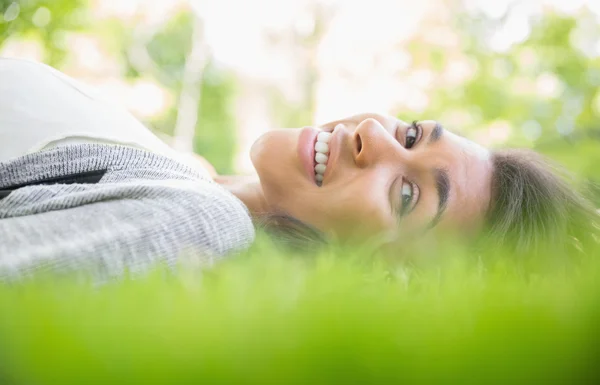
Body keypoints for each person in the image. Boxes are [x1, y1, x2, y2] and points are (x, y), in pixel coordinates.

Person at [0, 58, 597, 282]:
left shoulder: (201, 224)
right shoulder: (193, 181)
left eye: (408, 195)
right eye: (413, 134)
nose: (375, 137)